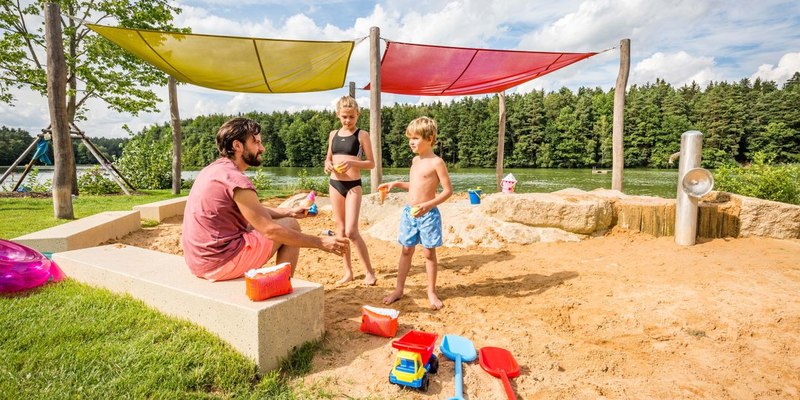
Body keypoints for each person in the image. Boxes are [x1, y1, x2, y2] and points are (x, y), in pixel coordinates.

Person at [182, 117, 348, 281]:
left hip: (197, 261)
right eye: (256, 143)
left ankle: (280, 280)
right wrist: (321, 242)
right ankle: (281, 285)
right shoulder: (237, 180)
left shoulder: (213, 170)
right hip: (219, 264)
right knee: (290, 226)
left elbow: (254, 211)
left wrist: (289, 211)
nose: (262, 148)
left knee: (286, 220)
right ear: (237, 145)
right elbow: (269, 230)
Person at [378, 116, 453, 309]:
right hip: (410, 213)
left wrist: (428, 205)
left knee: (428, 253)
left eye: (416, 137)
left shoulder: (437, 162)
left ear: (430, 138)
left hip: (428, 215)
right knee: (406, 250)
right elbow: (415, 186)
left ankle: (431, 291)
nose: (411, 141)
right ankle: (399, 289)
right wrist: (395, 183)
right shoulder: (415, 160)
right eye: (410, 138)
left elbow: (447, 191)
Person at [323, 96, 378, 285]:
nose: (348, 120)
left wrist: (352, 162)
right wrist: (328, 165)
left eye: (352, 117)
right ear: (338, 115)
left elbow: (371, 163)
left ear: (357, 115)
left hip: (353, 185)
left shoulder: (362, 135)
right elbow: (328, 159)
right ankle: (348, 272)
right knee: (340, 230)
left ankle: (369, 272)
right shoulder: (333, 134)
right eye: (344, 117)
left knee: (352, 231)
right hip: (335, 184)